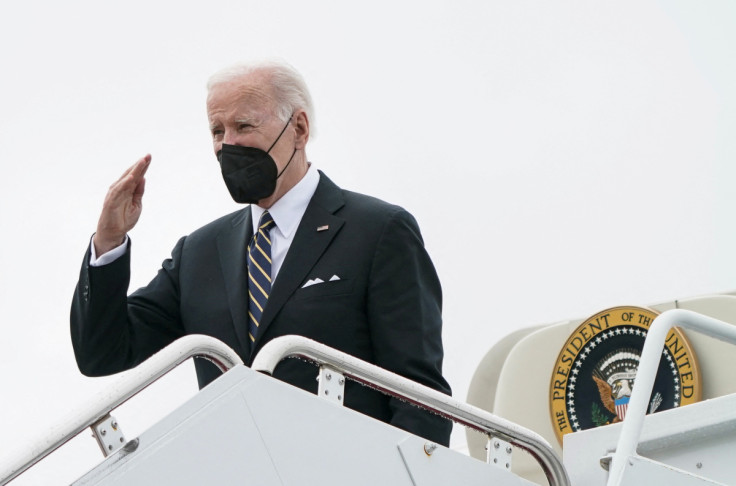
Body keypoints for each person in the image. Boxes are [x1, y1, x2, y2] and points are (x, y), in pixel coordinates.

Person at [70, 59, 452, 446]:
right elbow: (103, 353)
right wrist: (109, 241)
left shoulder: (377, 230)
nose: (227, 144)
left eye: (244, 126)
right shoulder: (199, 253)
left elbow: (419, 399)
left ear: (298, 129)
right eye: (217, 130)